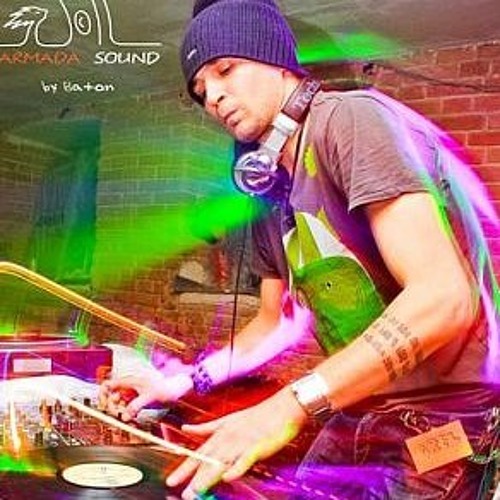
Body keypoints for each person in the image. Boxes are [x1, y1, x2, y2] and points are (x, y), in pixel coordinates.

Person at [100, 0, 500, 498]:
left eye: (226, 69)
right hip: (358, 402)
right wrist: (179, 382)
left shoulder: (351, 120)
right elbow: (275, 321)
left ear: (277, 60)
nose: (214, 97)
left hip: (447, 416)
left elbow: (444, 299)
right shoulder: (268, 185)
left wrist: (287, 405)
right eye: (201, 91)